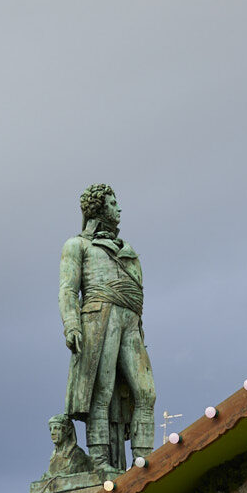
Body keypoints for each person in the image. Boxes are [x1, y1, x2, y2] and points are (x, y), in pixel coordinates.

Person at [59, 184, 155, 477]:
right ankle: (100, 462)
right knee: (101, 392)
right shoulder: (77, 245)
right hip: (99, 316)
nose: (119, 209)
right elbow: (67, 290)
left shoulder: (128, 250)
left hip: (129, 320)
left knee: (146, 393)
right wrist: (72, 324)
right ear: (99, 208)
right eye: (113, 203)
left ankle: (143, 461)